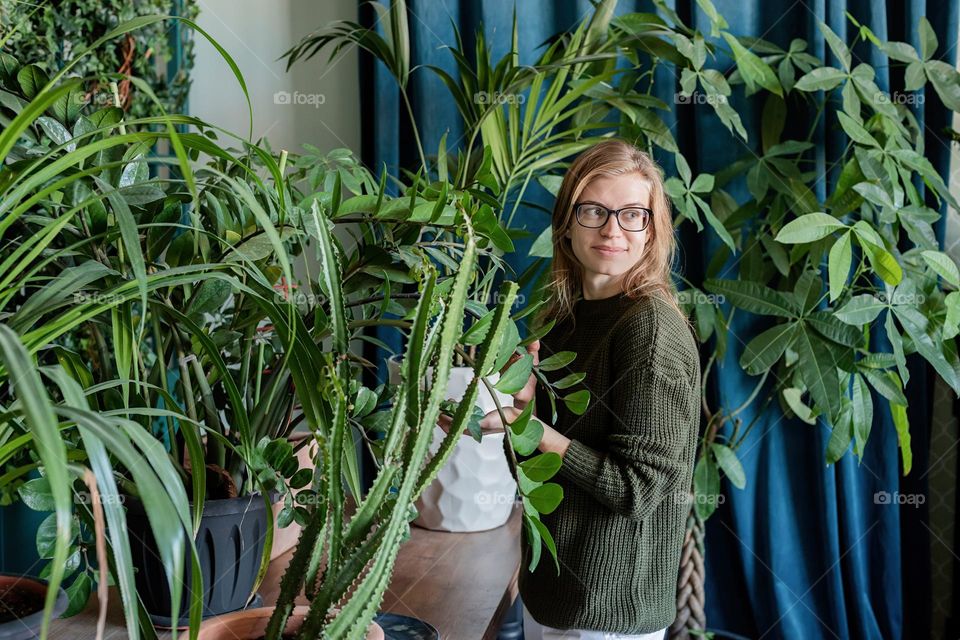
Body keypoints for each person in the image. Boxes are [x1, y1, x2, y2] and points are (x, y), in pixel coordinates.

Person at [440, 138, 701, 639]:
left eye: (632, 215)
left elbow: (638, 491)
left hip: (608, 609)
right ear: (566, 222)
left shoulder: (648, 330)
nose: (611, 230)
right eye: (594, 211)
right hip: (551, 593)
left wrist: (533, 430)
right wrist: (516, 417)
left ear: (652, 232)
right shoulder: (563, 323)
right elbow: (543, 482)